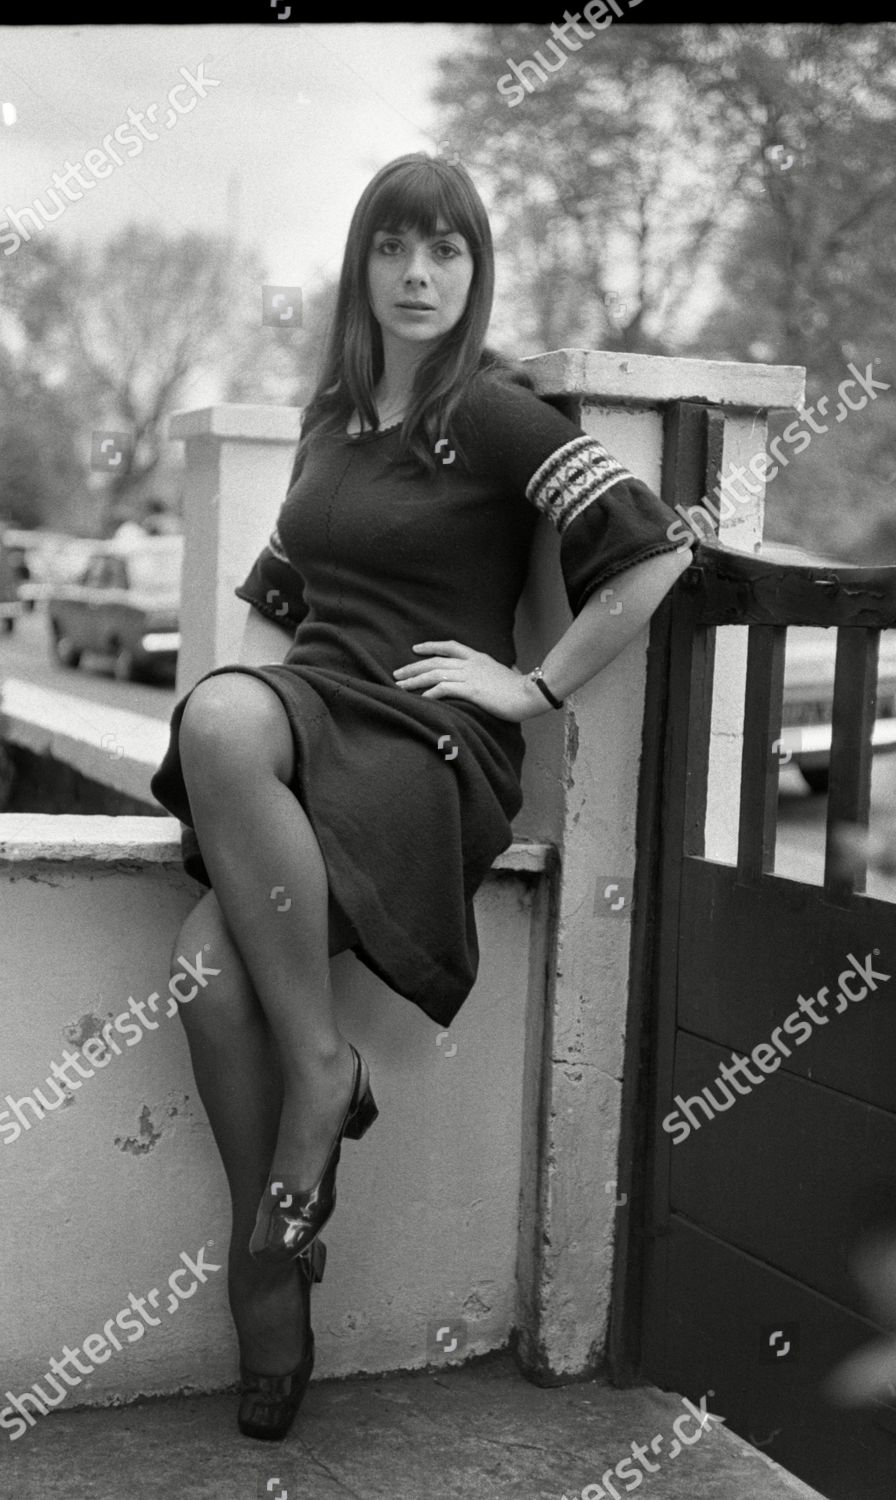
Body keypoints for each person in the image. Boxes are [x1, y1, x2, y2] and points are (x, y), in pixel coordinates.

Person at [149, 151, 694, 1441]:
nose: (416, 275)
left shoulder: (496, 415)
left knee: (223, 714)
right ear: (362, 265)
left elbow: (654, 548)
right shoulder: (331, 420)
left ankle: (322, 1084)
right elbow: (280, 607)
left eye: (445, 250)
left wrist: (536, 689)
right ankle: (269, 1252)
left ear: (475, 270)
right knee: (200, 961)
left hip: (431, 743)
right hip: (317, 712)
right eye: (393, 248)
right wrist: (249, 790)